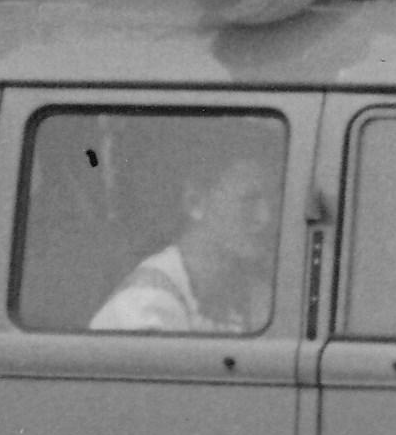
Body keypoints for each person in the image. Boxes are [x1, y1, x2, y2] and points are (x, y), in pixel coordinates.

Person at [91, 136, 287, 335]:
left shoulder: (253, 294)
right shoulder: (144, 306)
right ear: (196, 202)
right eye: (248, 201)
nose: (265, 218)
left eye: (271, 200)